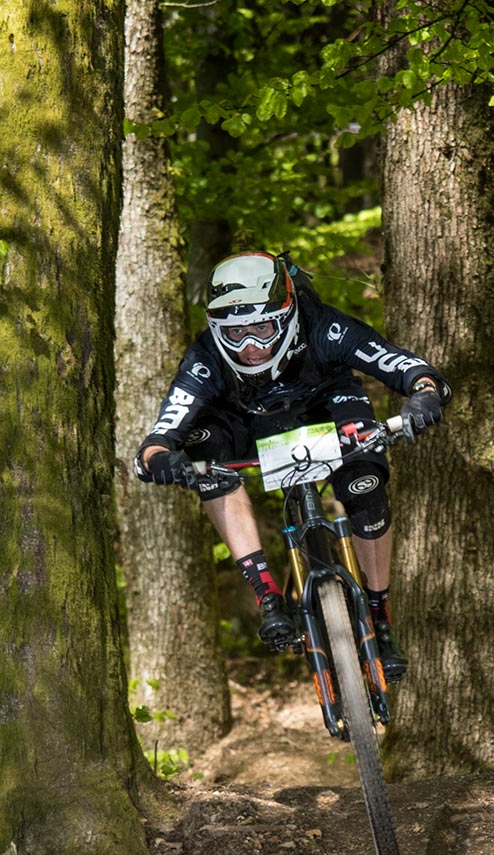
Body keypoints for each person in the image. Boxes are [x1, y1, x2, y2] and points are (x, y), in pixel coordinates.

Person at [132, 252, 450, 681]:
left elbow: (401, 365)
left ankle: (379, 613)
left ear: (286, 315)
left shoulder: (323, 325)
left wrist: (425, 393)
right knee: (205, 454)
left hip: (325, 403)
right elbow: (162, 432)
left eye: (262, 328)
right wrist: (159, 459)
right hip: (246, 422)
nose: (249, 345)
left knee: (365, 481)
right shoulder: (205, 357)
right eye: (235, 332)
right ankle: (267, 593)